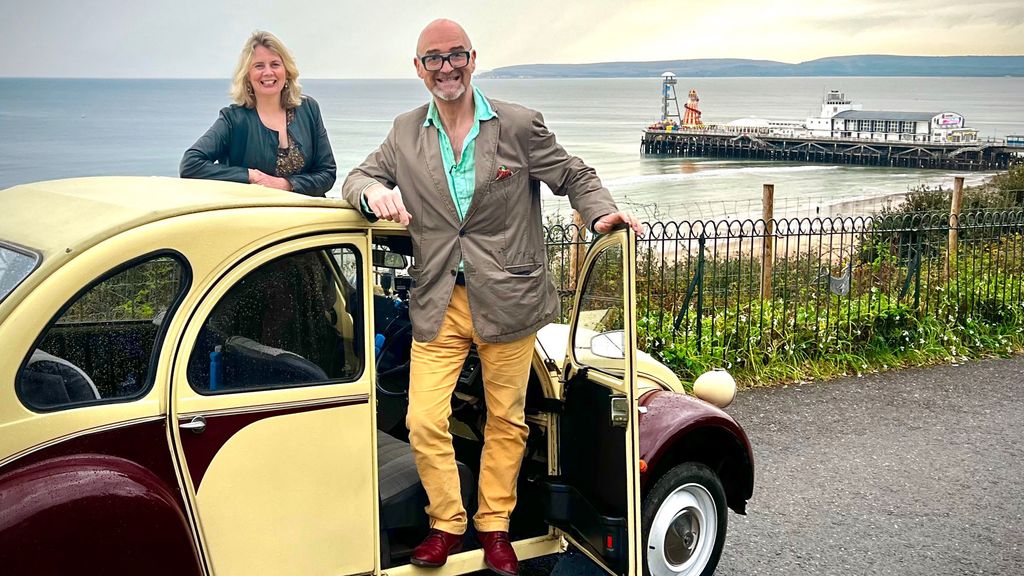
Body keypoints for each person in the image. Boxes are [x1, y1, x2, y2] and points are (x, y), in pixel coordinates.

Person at [342, 19, 643, 576]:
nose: (446, 67)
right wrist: (375, 193)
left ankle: (496, 526)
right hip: (439, 298)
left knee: (506, 418)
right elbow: (357, 177)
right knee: (423, 420)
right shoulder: (405, 132)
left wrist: (600, 211)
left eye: (455, 55)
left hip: (510, 299)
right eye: (433, 59)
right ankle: (446, 524)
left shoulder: (519, 125)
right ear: (419, 69)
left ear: (473, 59)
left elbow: (573, 173)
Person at [180, 30, 336, 196]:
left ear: (287, 71)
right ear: (247, 75)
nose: (268, 72)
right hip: (255, 218)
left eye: (275, 64)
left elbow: (327, 173)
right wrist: (251, 176)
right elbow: (190, 165)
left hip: (309, 217)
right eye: (259, 66)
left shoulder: (308, 109)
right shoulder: (233, 119)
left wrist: (285, 184)